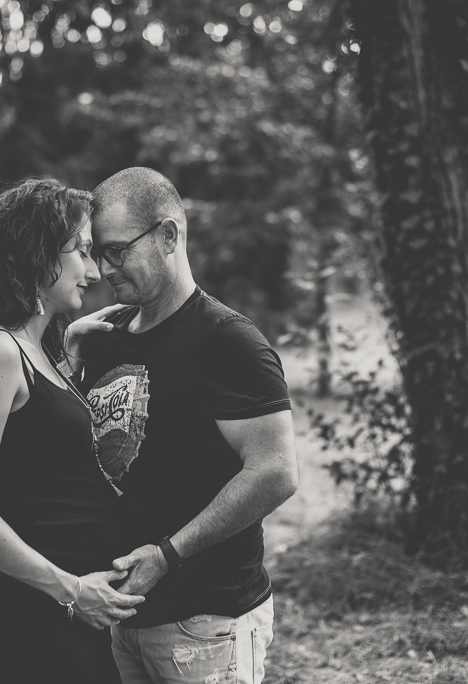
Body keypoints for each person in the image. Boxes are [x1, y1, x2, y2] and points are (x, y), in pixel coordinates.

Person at [79, 167, 300, 684]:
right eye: (94, 252)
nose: (103, 268)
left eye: (117, 250)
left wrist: (167, 554)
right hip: (119, 616)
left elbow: (275, 472)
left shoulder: (228, 341)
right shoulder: (105, 336)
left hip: (206, 621)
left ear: (169, 236)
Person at [0, 177, 144, 684]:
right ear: (38, 254)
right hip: (30, 620)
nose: (94, 272)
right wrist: (74, 592)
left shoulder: (38, 351)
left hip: (70, 616)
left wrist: (69, 353)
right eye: (82, 252)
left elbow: (42, 454)